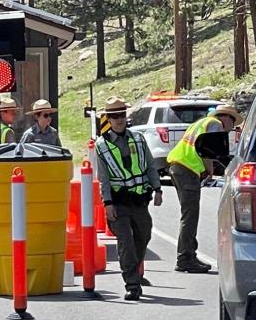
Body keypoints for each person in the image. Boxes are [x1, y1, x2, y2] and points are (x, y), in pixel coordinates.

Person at [93, 96, 163, 300]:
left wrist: (158, 189)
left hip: (139, 200)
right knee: (126, 242)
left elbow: (150, 165)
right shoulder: (102, 145)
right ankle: (132, 285)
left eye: (121, 115)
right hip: (118, 203)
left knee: (144, 235)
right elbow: (103, 178)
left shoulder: (138, 139)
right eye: (114, 116)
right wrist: (107, 203)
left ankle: (134, 268)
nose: (118, 119)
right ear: (108, 119)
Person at [166, 104, 239, 273]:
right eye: (232, 122)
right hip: (187, 169)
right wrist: (210, 170)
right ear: (226, 118)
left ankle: (189, 254)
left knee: (188, 214)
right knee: (190, 216)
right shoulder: (215, 124)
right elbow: (207, 150)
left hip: (178, 166)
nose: (230, 128)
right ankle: (185, 258)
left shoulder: (202, 122)